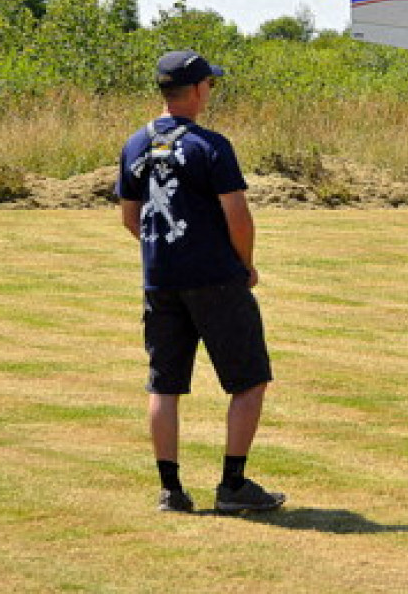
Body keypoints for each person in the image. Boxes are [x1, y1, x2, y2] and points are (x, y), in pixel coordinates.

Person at [116, 49, 285, 514]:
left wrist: (163, 254)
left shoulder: (135, 144)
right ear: (194, 90)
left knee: (164, 385)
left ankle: (170, 490)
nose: (211, 91)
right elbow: (239, 216)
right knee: (249, 380)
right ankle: (232, 484)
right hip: (214, 278)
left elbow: (131, 218)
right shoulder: (211, 146)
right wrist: (245, 263)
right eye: (209, 84)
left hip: (160, 281)